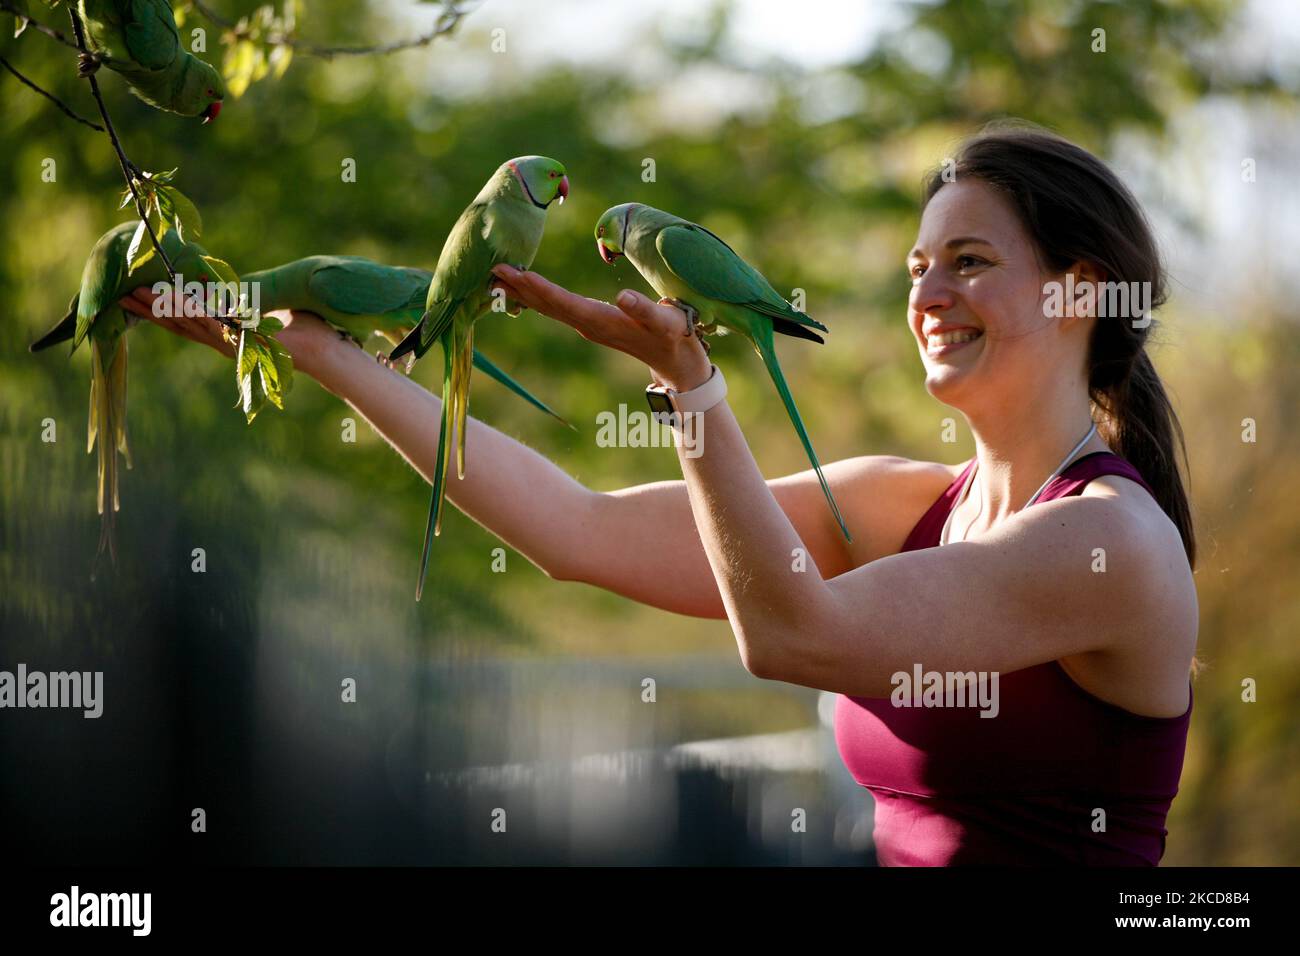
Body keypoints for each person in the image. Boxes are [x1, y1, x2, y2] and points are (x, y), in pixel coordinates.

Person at [120, 124, 1198, 866]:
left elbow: (793, 638)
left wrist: (692, 390)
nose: (927, 294)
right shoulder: (898, 502)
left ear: (1081, 288)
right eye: (918, 265)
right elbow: (572, 528)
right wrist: (315, 346)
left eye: (968, 260)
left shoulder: (1109, 545)